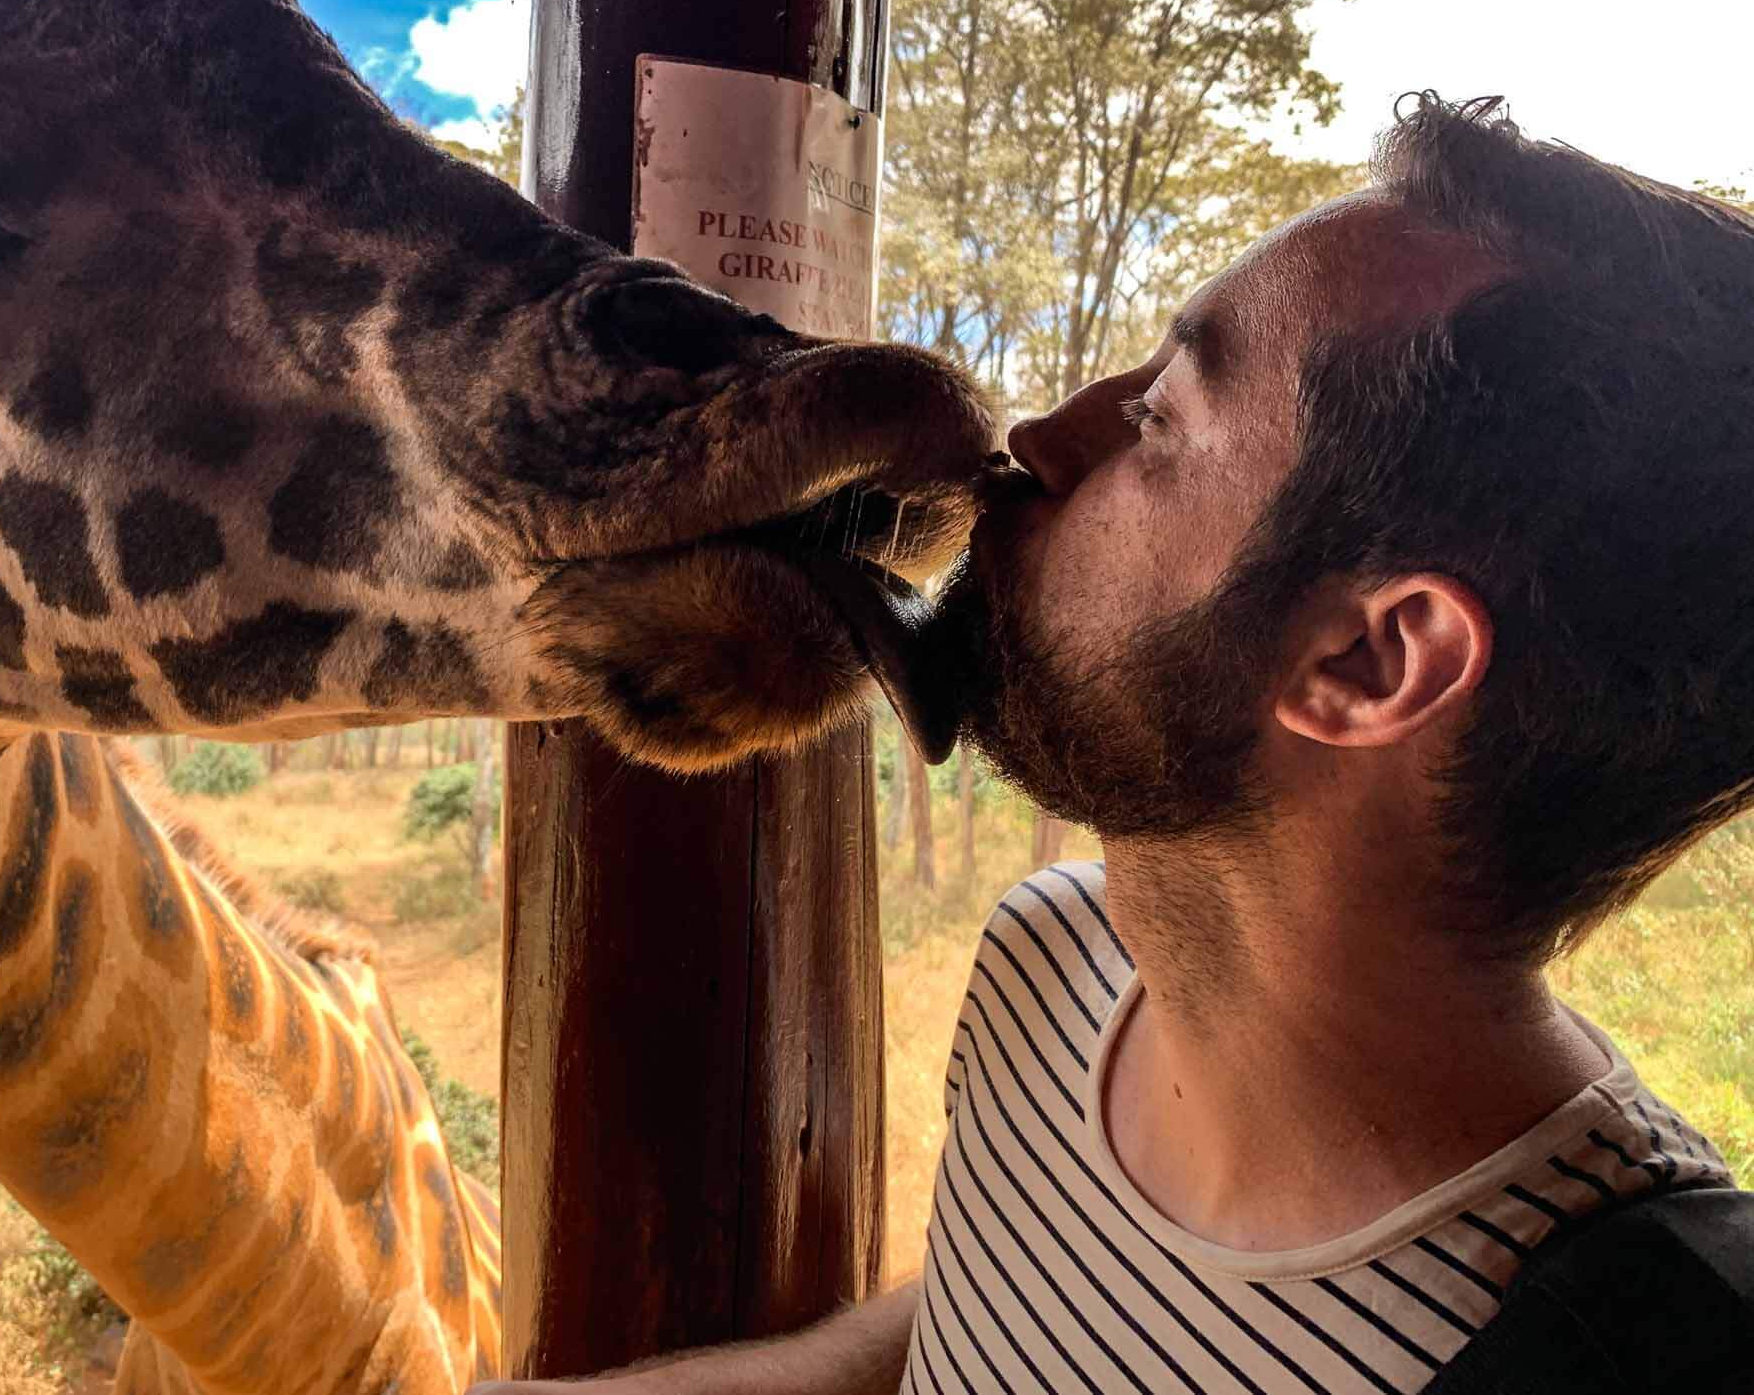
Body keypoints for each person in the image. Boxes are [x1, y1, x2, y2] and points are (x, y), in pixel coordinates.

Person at [470, 95, 1754, 1394]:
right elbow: (979, 1329)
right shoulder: (1056, 963)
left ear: (1371, 662)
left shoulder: (1623, 1356)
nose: (1037, 439)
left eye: (1158, 419)